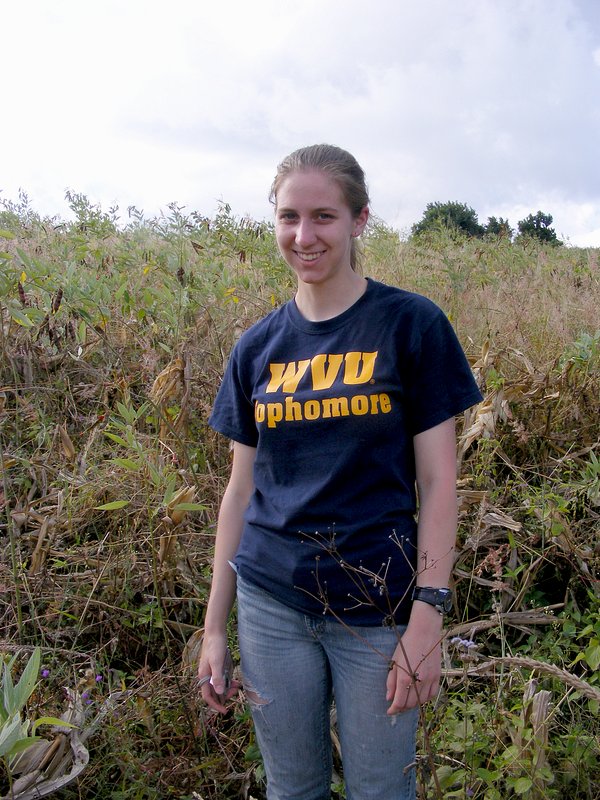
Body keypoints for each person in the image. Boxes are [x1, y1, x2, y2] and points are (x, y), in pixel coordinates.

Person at [197, 144, 482, 800]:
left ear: (359, 221)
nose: (304, 235)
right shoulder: (258, 348)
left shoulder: (411, 325)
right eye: (289, 216)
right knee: (291, 788)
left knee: (382, 789)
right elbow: (239, 492)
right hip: (270, 604)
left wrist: (428, 617)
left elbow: (439, 482)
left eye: (324, 216)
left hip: (378, 609)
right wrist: (215, 629)